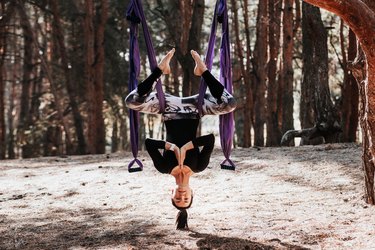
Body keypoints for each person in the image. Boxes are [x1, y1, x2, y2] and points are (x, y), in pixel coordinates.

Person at [125, 49, 236, 230]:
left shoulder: (164, 168)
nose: (181, 195)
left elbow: (149, 143)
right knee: (230, 104)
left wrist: (171, 147)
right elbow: (209, 140)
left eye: (178, 198)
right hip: (194, 109)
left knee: (131, 101)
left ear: (172, 193)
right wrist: (187, 147)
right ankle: (203, 72)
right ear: (192, 193)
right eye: (186, 198)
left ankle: (160, 70)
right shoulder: (199, 166)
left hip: (168, 108)